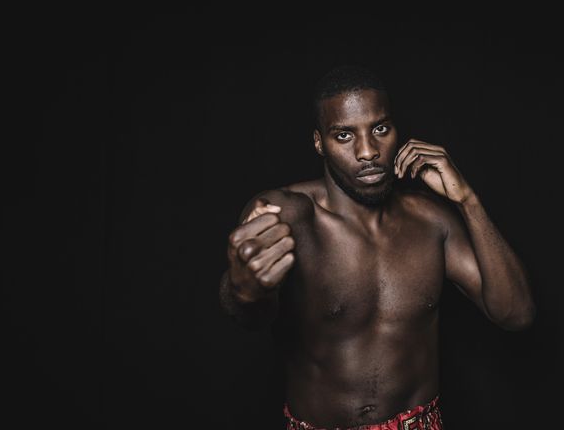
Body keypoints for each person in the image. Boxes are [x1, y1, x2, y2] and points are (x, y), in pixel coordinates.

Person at [219, 65, 535, 429]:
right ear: (319, 142)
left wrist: (468, 201)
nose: (368, 151)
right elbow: (248, 312)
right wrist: (243, 289)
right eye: (344, 135)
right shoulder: (288, 215)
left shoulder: (431, 220)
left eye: (380, 129)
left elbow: (517, 314)